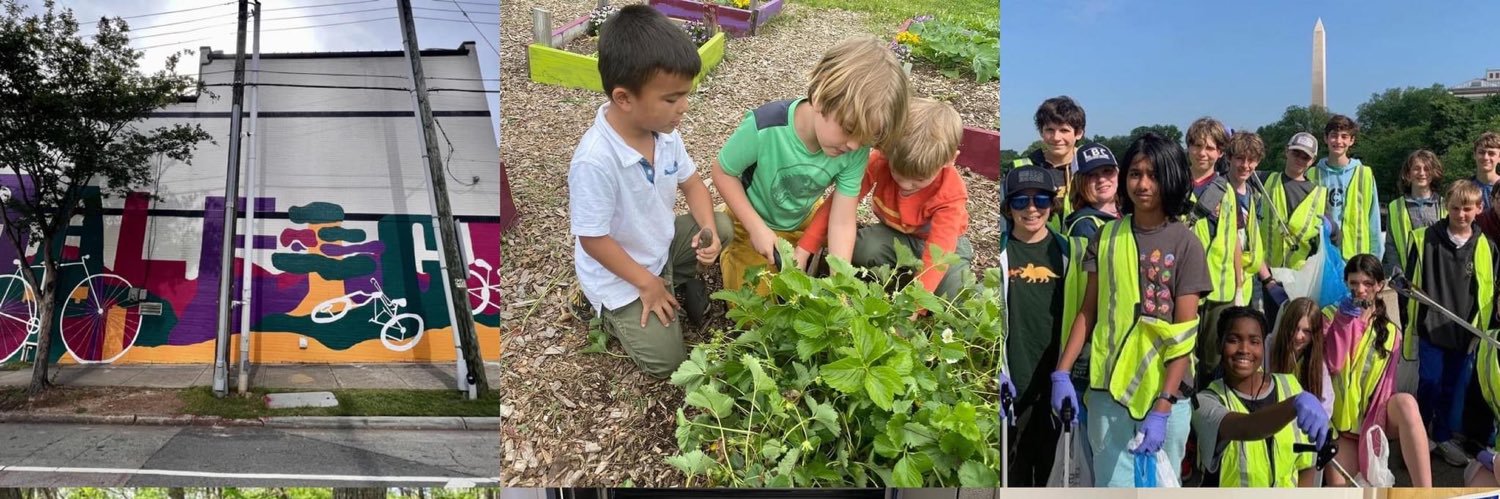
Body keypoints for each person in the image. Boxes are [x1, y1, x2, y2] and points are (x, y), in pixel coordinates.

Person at [567, 5, 732, 377]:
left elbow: (691, 183)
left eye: (685, 95)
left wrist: (706, 232)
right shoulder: (595, 159)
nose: (684, 108)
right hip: (622, 275)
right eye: (672, 99)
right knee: (667, 362)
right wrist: (647, 283)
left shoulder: (665, 135)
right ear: (624, 98)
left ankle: (677, 276)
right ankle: (597, 306)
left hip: (659, 245)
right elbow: (592, 239)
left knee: (722, 227)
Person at [1051, 132, 1212, 487]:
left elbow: (1184, 334)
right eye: (1135, 173)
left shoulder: (1186, 243)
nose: (1143, 184)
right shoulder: (1106, 237)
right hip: (1109, 392)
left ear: (1170, 178)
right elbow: (1087, 312)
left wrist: (1164, 404)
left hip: (1165, 395)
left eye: (1153, 175)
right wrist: (1061, 374)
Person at [710, 36, 908, 294]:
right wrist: (756, 228)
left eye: (865, 140)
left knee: (843, 248)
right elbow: (723, 171)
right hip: (751, 214)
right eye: (848, 130)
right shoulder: (766, 128)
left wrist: (840, 283)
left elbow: (842, 220)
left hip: (801, 214)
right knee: (754, 296)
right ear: (821, 97)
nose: (852, 146)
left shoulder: (855, 150)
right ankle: (729, 245)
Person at [798, 97, 971, 298]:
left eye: (919, 180)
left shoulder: (950, 195)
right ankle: (904, 276)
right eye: (897, 173)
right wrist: (805, 248)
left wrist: (914, 307)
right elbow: (838, 205)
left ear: (950, 160)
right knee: (860, 248)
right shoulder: (880, 161)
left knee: (955, 290)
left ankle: (918, 284)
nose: (905, 185)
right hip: (895, 236)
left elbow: (939, 256)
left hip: (945, 247)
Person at [997, 165, 1086, 486]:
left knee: (1052, 476)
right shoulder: (1000, 254)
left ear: (1053, 204)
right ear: (1008, 207)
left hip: (1055, 389)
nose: (1031, 209)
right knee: (1013, 475)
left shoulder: (1071, 253)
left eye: (1041, 200)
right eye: (1020, 202)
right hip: (1012, 388)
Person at [1401, 181, 1496, 468]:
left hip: (1464, 331)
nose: (1461, 214)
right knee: (1429, 381)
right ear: (1446, 207)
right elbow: (1407, 287)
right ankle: (1417, 437)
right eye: (1455, 208)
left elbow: (1489, 293)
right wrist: (1410, 322)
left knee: (1450, 386)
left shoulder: (1486, 246)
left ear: (1479, 209)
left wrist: (1480, 332)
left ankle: (1441, 436)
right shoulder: (1424, 238)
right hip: (1431, 327)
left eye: (1467, 209)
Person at [1323, 254, 1431, 486]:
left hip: (1372, 418)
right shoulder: (1329, 316)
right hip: (1338, 425)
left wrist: (1373, 438)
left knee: (1407, 403)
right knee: (1345, 488)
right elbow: (1333, 365)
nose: (1360, 290)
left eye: (1368, 283)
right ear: (1346, 283)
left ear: (1380, 285)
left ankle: (1426, 492)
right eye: (1353, 283)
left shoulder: (1392, 333)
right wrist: (1343, 322)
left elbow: (1385, 391)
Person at [1192, 306, 1329, 487]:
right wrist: (1292, 405)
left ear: (1263, 347)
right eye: (1233, 340)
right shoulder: (1205, 402)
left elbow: (1306, 464)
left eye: (1254, 342)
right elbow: (1245, 427)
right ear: (1219, 345)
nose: (1244, 349)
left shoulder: (1290, 386)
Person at [1184, 117, 1243, 387]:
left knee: (1213, 361)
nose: (1202, 153)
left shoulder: (1227, 191)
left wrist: (1240, 287)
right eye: (1197, 145)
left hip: (1220, 290)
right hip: (1184, 286)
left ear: (1220, 153)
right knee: (1183, 355)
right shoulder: (1176, 185)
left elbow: (1233, 242)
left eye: (1209, 148)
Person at [1004, 96, 1086, 232]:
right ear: (1041, 132)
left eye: (1064, 130)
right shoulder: (1020, 169)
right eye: (1050, 130)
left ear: (1078, 133)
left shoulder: (1091, 168)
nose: (1056, 138)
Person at [1224, 131, 1282, 311]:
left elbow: (1253, 245)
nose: (1246, 165)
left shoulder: (1254, 196)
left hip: (1248, 285)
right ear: (1228, 158)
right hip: (1223, 285)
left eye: (1252, 160)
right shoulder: (1217, 191)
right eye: (1240, 158)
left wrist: (1269, 281)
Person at [1310, 115, 1383, 259]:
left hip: (1358, 259)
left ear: (1352, 140)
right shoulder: (1312, 174)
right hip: (1323, 257)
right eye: (1334, 136)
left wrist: (1376, 258)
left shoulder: (1365, 174)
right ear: (1325, 138)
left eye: (1344, 136)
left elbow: (1374, 220)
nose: (1339, 141)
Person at [1261, 133, 1327, 272]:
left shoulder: (1319, 195)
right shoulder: (1265, 179)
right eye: (1296, 153)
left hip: (1302, 273)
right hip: (1269, 272)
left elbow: (1332, 238)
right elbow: (1239, 170)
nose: (1300, 159)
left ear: (1313, 160)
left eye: (1305, 157)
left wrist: (1332, 229)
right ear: (1287, 151)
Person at [1383, 150, 1446, 279]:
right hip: (1408, 278)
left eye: (1427, 169)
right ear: (1408, 174)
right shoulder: (1395, 207)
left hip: (1439, 276)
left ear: (1434, 173)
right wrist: (1397, 275)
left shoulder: (1446, 205)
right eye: (1416, 169)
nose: (1422, 173)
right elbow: (1391, 245)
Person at [1063, 142, 1121, 241]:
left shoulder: (1129, 212)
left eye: (1107, 171)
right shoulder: (1084, 226)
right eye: (1092, 175)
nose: (1101, 179)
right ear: (1079, 182)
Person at [1472, 132, 1500, 209]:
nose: (1486, 157)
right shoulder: (1464, 188)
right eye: (1481, 152)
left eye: (1491, 153)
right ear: (1474, 155)